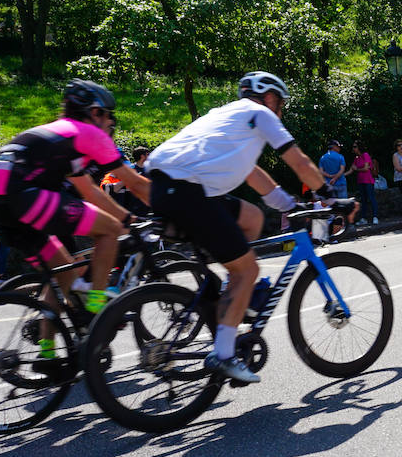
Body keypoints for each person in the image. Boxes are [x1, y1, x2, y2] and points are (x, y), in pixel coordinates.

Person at [146, 71, 357, 384]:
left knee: (252, 218)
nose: (281, 111)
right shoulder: (259, 113)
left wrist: (289, 206)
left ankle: (231, 298)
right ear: (268, 97)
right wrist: (327, 197)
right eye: (280, 103)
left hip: (169, 187)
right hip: (188, 191)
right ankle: (224, 354)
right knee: (248, 270)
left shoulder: (227, 117)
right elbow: (298, 161)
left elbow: (252, 175)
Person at [0, 80, 152, 333]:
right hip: (26, 198)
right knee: (110, 230)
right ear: (95, 112)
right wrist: (176, 211)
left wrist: (127, 216)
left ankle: (49, 353)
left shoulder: (55, 134)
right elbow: (136, 184)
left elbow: (89, 190)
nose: (110, 123)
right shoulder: (89, 133)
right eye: (108, 116)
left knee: (65, 275)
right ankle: (97, 307)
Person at [351, 141, 378, 224]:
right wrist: (339, 176)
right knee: (363, 200)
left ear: (359, 147)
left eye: (355, 146)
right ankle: (363, 218)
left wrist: (357, 169)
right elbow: (351, 169)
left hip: (368, 180)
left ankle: (375, 217)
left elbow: (366, 168)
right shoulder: (356, 158)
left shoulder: (365, 155)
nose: (353, 148)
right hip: (361, 181)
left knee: (371, 198)